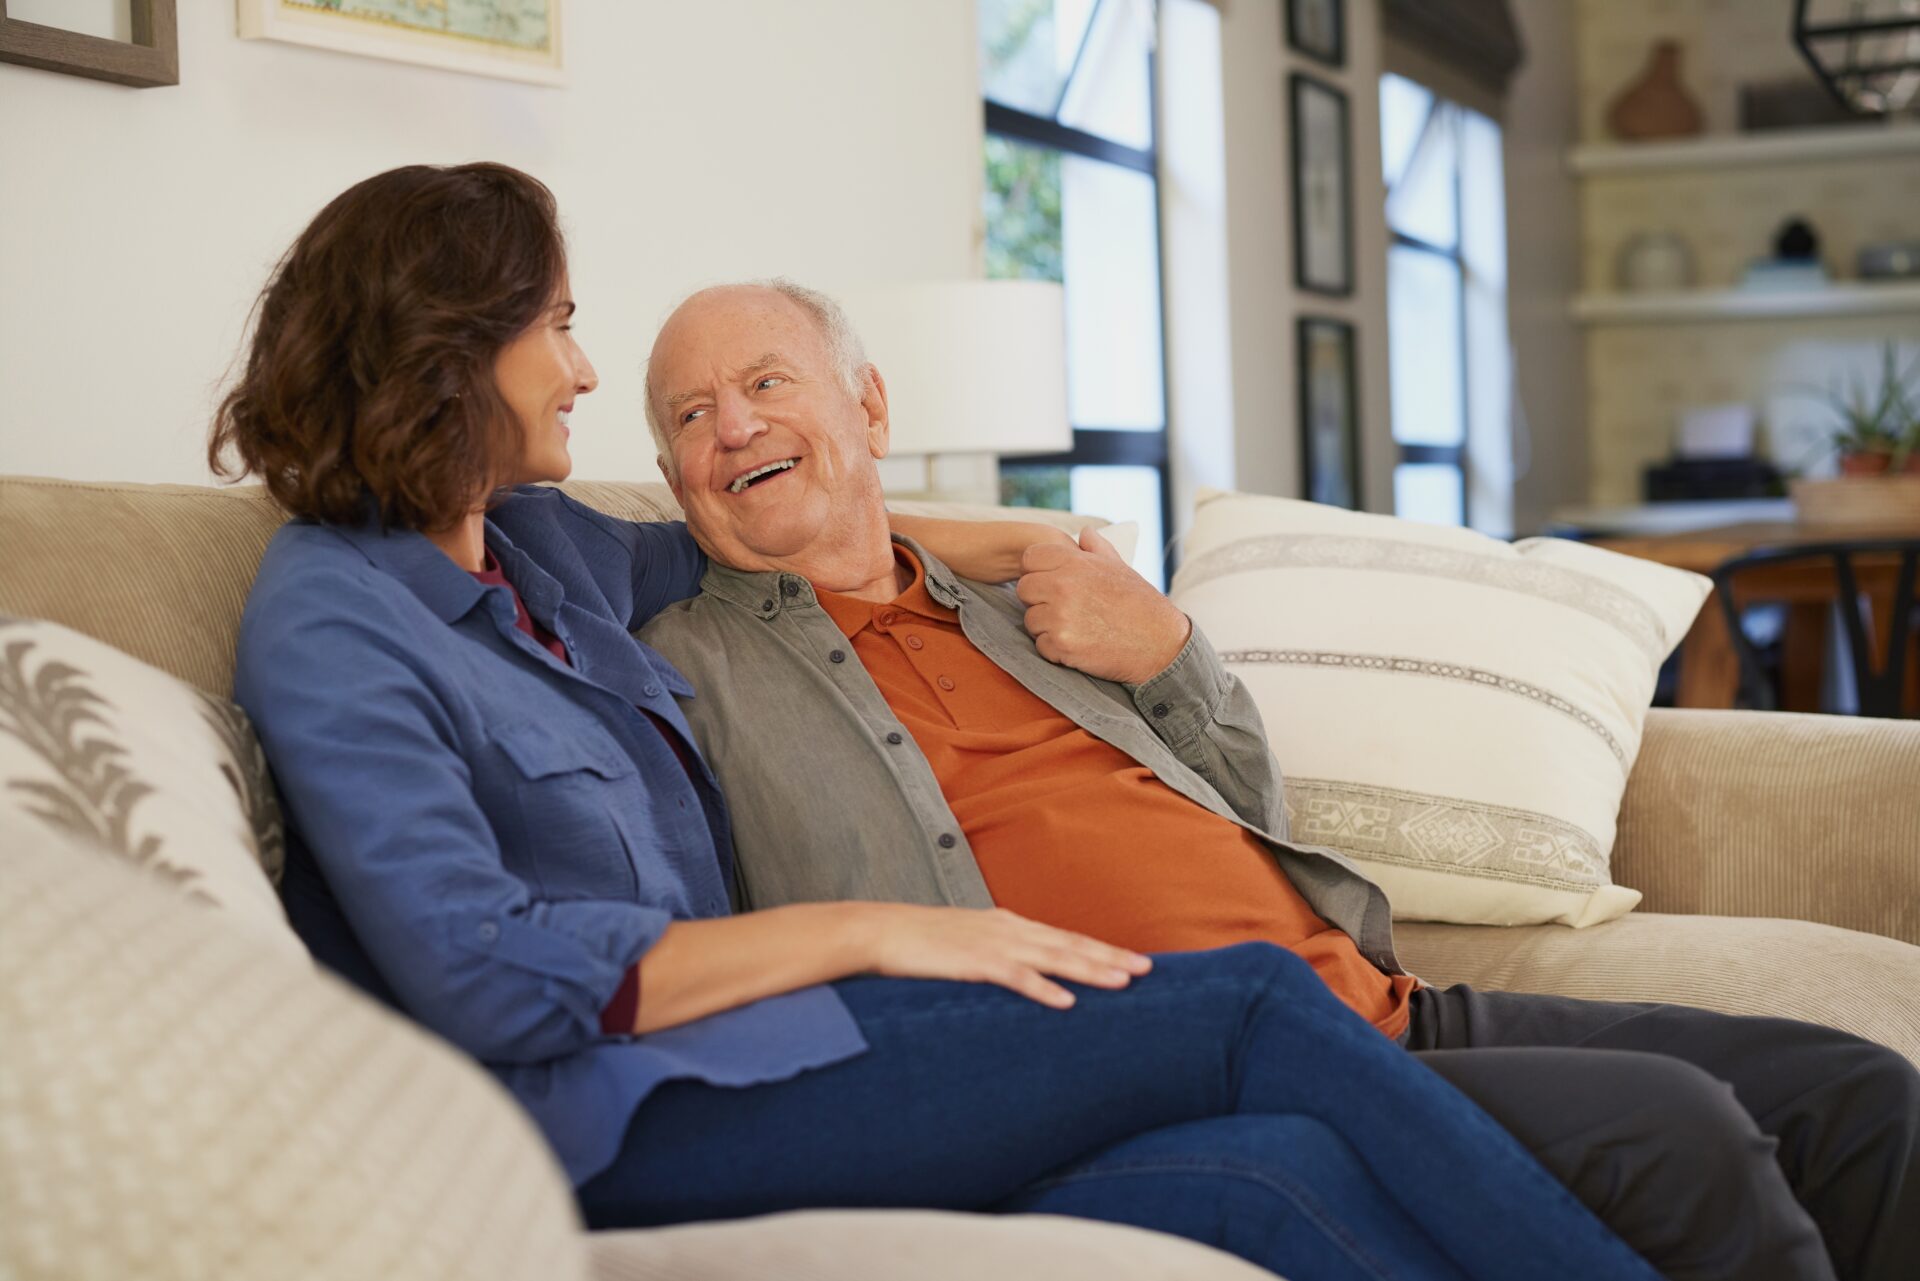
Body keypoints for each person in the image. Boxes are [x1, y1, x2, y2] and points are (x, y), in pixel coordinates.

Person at [214, 163, 1659, 1280]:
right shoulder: (331, 615)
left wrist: (1014, 544)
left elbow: (769, 528)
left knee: (1284, 1167)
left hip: (772, 1054)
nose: (582, 371)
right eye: (559, 327)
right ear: (452, 346)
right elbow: (482, 972)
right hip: (605, 1122)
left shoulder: (541, 551)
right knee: (1251, 1003)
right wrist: (873, 931)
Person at [636, 278, 1920, 1281]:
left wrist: (1170, 652)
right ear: (673, 479)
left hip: (1380, 1003)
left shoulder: (1025, 603)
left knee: (1860, 1095)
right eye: (690, 416)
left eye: (765, 382)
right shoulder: (679, 663)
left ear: (871, 408)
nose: (733, 425)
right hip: (1181, 1069)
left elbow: (1260, 807)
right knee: (1678, 1132)